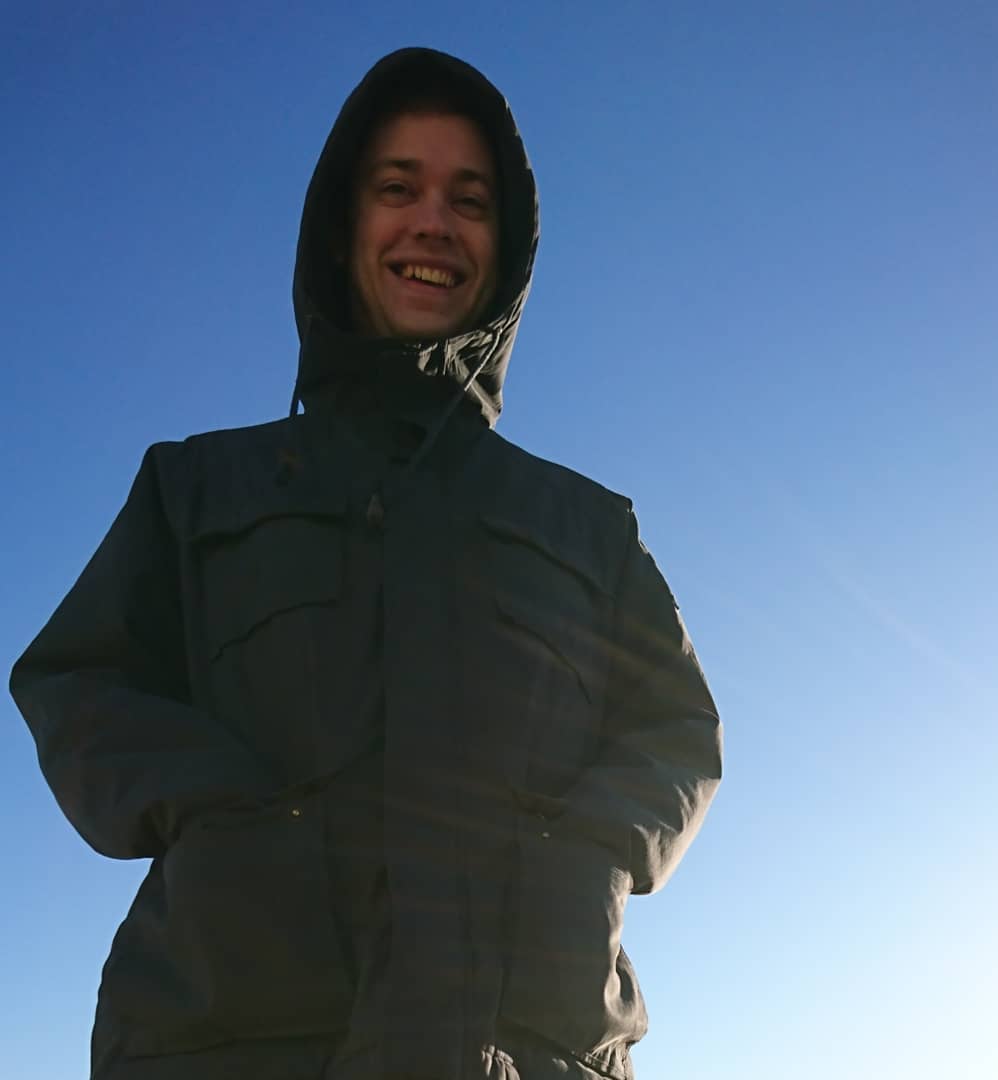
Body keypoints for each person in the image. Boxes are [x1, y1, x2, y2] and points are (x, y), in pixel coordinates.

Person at [10, 47, 722, 1080]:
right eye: (398, 189)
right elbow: (76, 680)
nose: (433, 221)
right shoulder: (196, 488)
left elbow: (677, 733)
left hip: (529, 1044)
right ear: (344, 231)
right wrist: (232, 820)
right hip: (232, 1040)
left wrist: (581, 860)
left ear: (508, 244)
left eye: (468, 200)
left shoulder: (587, 528)